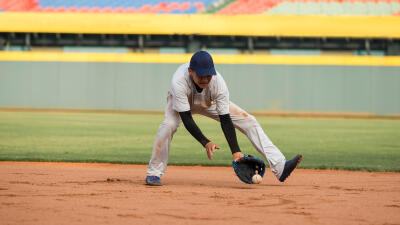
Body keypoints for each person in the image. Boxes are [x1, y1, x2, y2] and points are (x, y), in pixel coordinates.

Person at [146, 51, 302, 186]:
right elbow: (186, 118)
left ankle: (280, 167)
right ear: (190, 71)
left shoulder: (218, 83)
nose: (206, 78)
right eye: (201, 74)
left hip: (209, 102)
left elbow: (225, 119)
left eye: (209, 74)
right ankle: (154, 173)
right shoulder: (179, 81)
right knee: (168, 125)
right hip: (181, 103)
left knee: (249, 121)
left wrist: (236, 152)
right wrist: (205, 142)